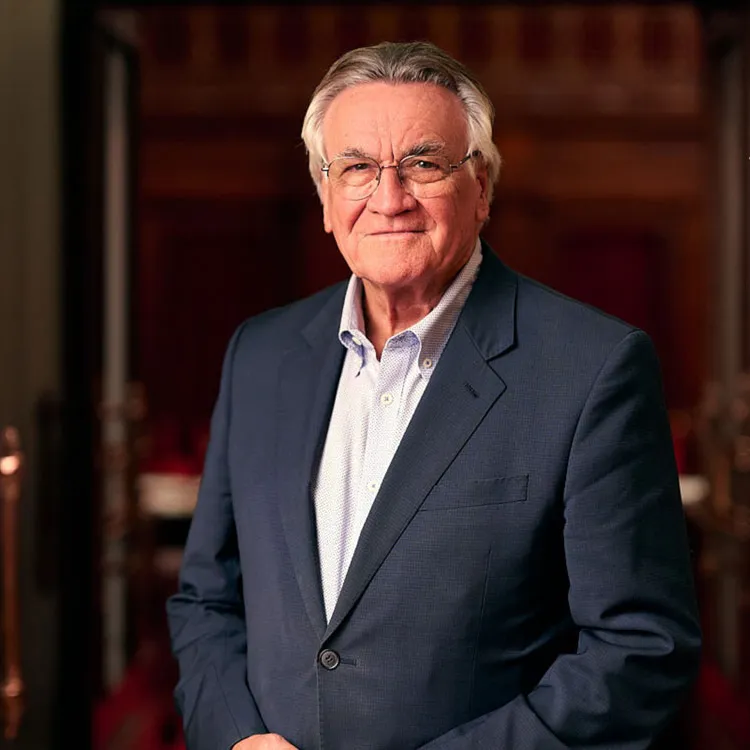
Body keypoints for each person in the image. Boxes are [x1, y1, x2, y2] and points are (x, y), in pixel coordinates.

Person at [166, 41, 701, 750]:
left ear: (481, 189)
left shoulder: (594, 368)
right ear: (326, 198)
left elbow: (641, 648)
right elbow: (206, 597)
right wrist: (238, 738)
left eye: (422, 163)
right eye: (355, 168)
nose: (389, 199)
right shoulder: (260, 355)